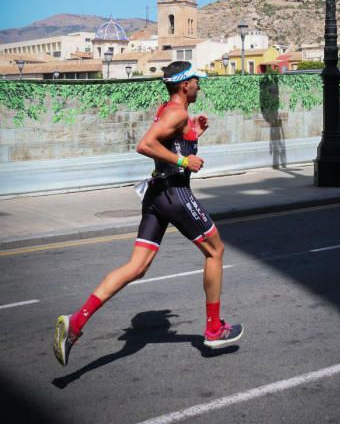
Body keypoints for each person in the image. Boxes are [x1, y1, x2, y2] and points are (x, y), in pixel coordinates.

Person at [53, 61, 243, 366]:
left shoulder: (170, 110)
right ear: (184, 85)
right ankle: (213, 328)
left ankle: (75, 323)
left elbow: (169, 143)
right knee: (216, 251)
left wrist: (194, 134)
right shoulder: (176, 112)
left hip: (157, 195)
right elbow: (146, 145)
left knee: (137, 266)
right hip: (175, 194)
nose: (199, 85)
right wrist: (184, 162)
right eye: (196, 80)